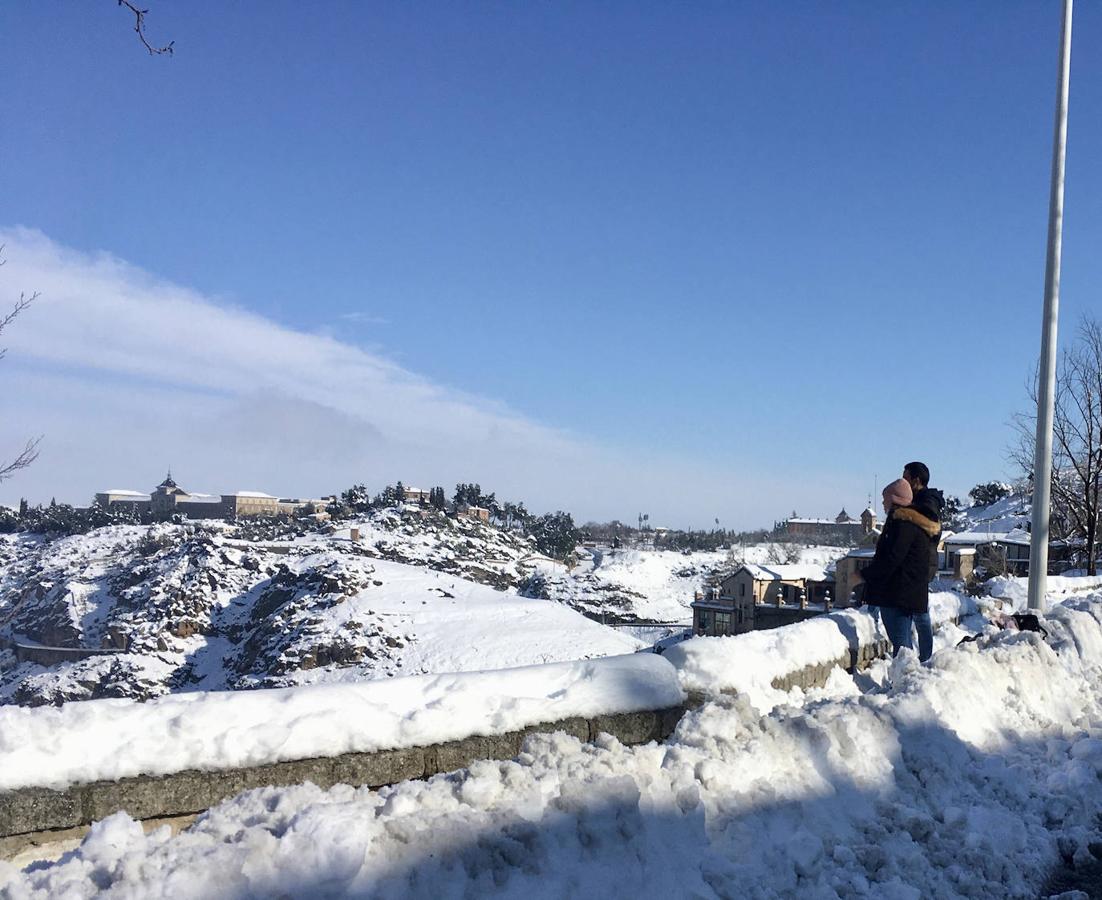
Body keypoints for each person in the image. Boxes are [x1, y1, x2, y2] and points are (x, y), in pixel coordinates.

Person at [853, 478, 940, 660]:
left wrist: (863, 575)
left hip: (897, 595)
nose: (883, 503)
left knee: (902, 649)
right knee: (903, 645)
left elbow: (891, 559)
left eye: (885, 499)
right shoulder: (911, 523)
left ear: (895, 500)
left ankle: (906, 684)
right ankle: (908, 682)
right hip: (905, 593)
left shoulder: (903, 526)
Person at [902, 461, 944, 661]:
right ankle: (922, 657)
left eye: (905, 478)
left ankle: (924, 659)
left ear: (916, 480)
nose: (903, 481)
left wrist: (903, 515)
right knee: (918, 611)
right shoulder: (923, 500)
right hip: (922, 562)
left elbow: (930, 529)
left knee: (918, 613)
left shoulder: (926, 502)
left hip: (922, 563)